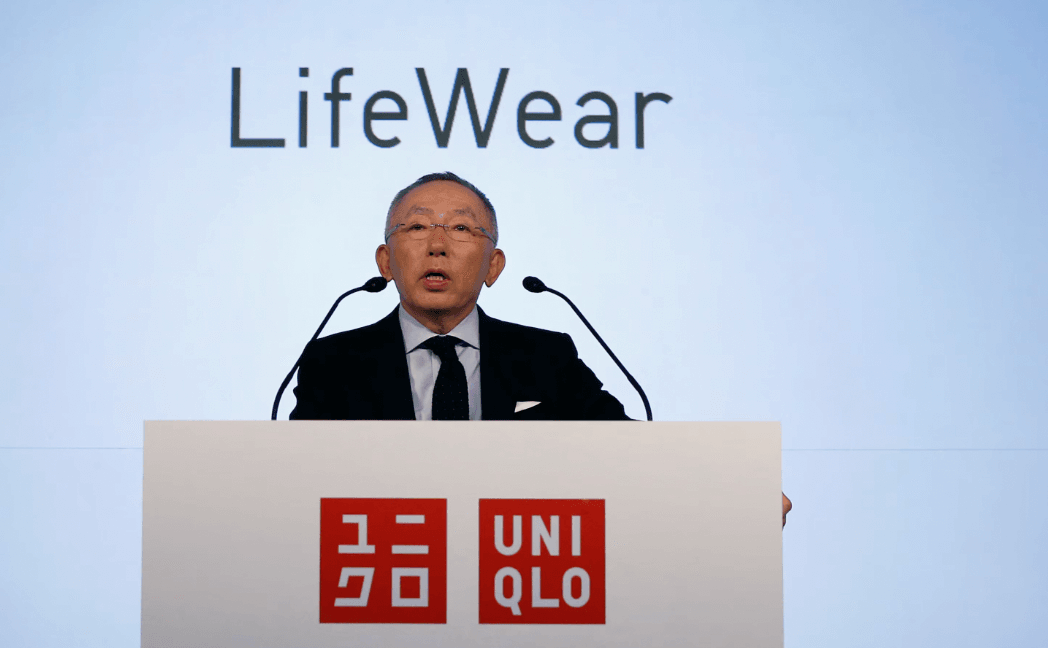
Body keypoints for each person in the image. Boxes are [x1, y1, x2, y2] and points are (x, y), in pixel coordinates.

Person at [289, 171, 791, 525]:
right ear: (385, 261)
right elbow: (298, 481)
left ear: (494, 266)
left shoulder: (546, 357)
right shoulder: (333, 363)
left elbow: (626, 448)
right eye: (417, 227)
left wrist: (728, 492)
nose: (437, 244)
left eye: (461, 228)